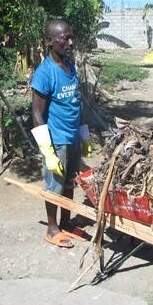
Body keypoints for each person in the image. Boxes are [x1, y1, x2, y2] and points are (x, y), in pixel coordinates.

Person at [30, 20, 92, 248]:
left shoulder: (70, 66)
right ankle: (52, 228)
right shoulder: (44, 73)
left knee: (69, 184)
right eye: (65, 38)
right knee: (54, 186)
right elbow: (37, 113)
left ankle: (66, 222)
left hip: (73, 137)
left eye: (71, 37)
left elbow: (77, 103)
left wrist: (84, 134)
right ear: (49, 41)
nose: (71, 42)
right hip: (57, 141)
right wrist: (48, 152)